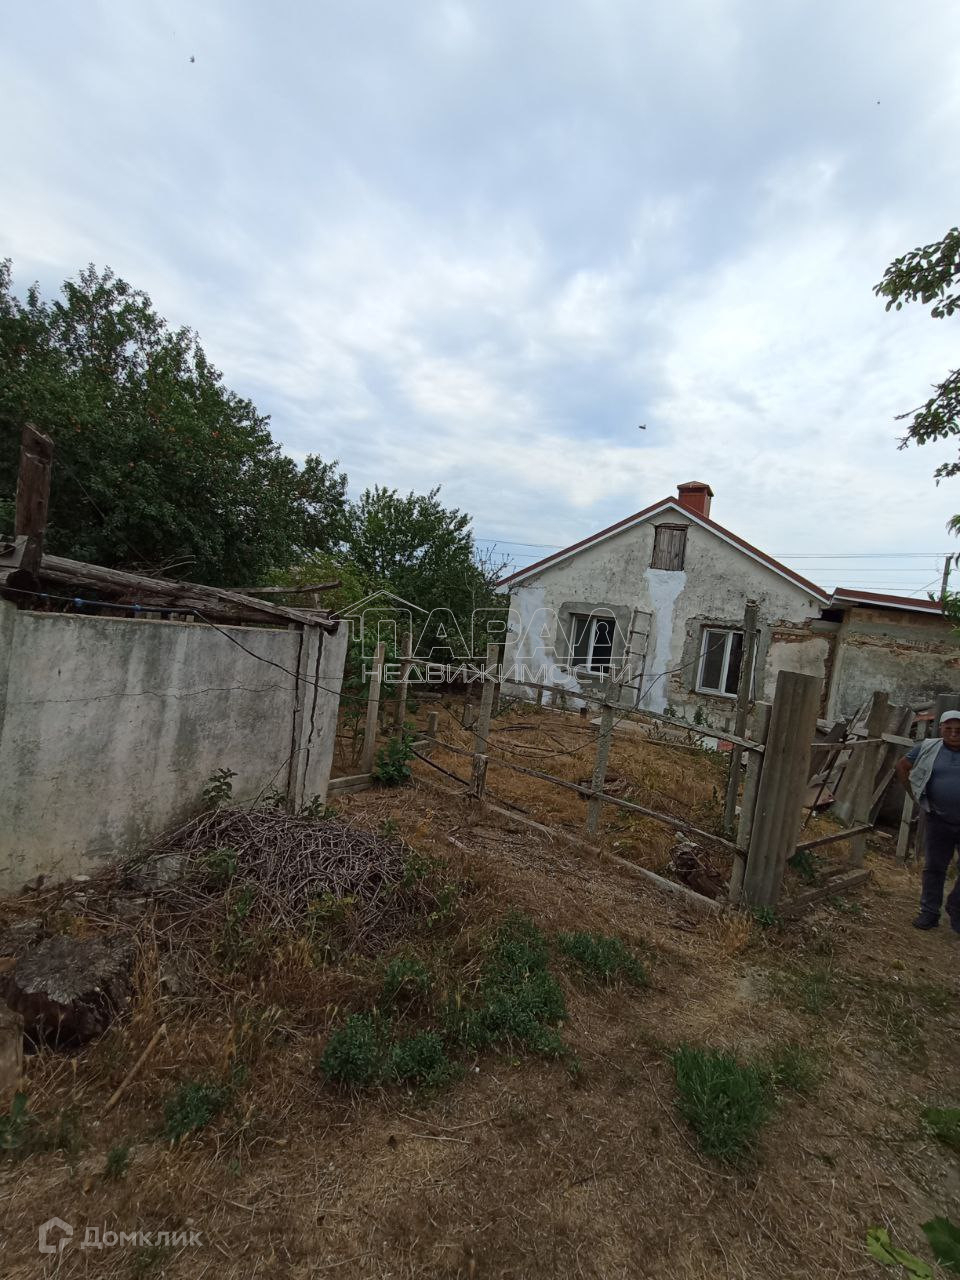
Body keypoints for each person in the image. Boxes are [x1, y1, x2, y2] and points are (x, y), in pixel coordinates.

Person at [895, 709, 960, 931]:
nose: (954, 733)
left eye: (959, 730)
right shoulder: (929, 747)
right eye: (949, 729)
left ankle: (956, 907)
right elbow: (902, 765)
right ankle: (929, 912)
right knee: (934, 867)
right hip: (938, 818)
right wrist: (914, 794)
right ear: (941, 729)